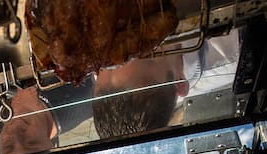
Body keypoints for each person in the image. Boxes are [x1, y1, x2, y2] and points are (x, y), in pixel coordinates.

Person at [92, 30, 241, 138]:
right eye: (146, 53)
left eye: (100, 68)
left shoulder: (93, 52)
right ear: (179, 82)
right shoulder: (232, 45)